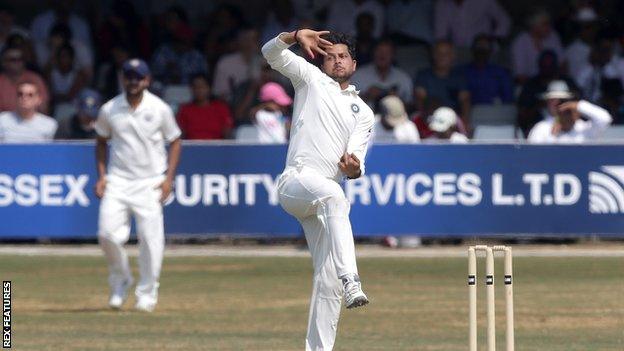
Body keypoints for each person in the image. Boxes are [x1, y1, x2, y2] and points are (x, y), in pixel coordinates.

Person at [262, 29, 373, 350]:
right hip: (296, 182)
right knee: (334, 196)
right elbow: (270, 53)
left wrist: (354, 169)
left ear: (354, 62)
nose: (336, 61)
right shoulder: (310, 80)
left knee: (328, 280)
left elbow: (355, 162)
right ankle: (352, 279)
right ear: (321, 62)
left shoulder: (363, 112)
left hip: (323, 197)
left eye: (342, 56)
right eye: (330, 57)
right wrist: (293, 35)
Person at [94, 59, 182, 312]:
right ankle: (121, 278)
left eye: (138, 77)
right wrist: (101, 176)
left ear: (147, 80)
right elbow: (101, 140)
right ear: (122, 79)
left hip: (150, 182)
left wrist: (168, 179)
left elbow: (175, 140)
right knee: (107, 234)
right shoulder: (110, 109)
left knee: (150, 240)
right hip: (118, 180)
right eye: (128, 76)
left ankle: (147, 293)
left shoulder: (160, 108)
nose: (133, 81)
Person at [527, 80, 612, 143]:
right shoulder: (541, 128)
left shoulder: (583, 128)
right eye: (553, 100)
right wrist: (553, 136)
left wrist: (578, 105)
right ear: (547, 102)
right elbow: (533, 156)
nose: (558, 103)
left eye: (562, 100)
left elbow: (605, 118)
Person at [414, 41, 470, 128]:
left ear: (453, 56)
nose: (442, 57)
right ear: (433, 55)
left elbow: (465, 101)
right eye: (439, 53)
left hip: (453, 122)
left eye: (446, 54)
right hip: (429, 119)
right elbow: (420, 101)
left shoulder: (459, 77)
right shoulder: (423, 76)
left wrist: (465, 121)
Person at [351, 39, 413, 106]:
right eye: (379, 51)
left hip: (395, 116)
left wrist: (397, 100)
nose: (382, 55)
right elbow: (347, 103)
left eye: (387, 52)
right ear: (373, 53)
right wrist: (366, 96)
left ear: (393, 55)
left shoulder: (403, 78)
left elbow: (411, 106)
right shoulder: (358, 75)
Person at [511, 10, 563, 83]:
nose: (549, 27)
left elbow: (562, 63)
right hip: (529, 85)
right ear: (534, 26)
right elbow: (520, 76)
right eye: (545, 24)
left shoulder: (553, 36)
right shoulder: (521, 42)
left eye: (549, 24)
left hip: (554, 82)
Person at [176, 74, 233, 140]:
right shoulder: (184, 109)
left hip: (216, 147)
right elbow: (180, 134)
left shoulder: (221, 108)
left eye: (202, 86)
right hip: (192, 147)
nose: (199, 90)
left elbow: (227, 132)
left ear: (209, 88)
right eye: (195, 87)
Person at [434, 0, 510, 49]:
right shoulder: (442, 4)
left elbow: (504, 20)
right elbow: (441, 36)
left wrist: (493, 38)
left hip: (485, 50)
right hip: (460, 53)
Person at [462, 34, 513, 105]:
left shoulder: (501, 73)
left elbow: (508, 99)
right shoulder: (462, 72)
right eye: (478, 46)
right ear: (472, 49)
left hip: (495, 112)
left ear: (490, 51)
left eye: (485, 46)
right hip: (470, 112)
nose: (481, 49)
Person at [0, 46, 49, 113]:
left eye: (20, 59)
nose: (18, 62)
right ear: (4, 62)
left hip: (31, 120)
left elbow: (43, 107)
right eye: (13, 60)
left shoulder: (35, 79)